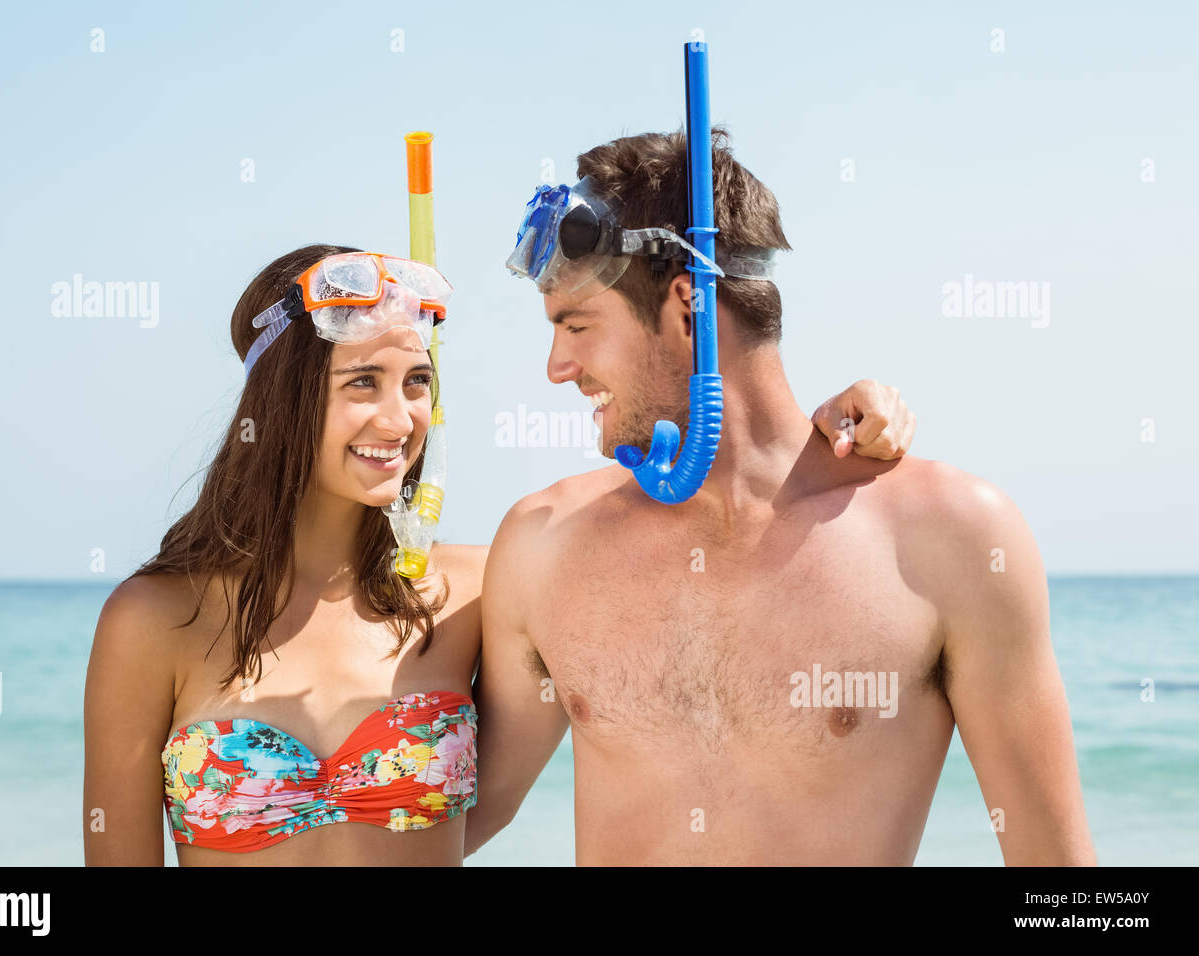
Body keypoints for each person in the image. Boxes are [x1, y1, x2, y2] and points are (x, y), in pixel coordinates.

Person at [82, 241, 916, 866]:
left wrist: (828, 428)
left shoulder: (478, 590)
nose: (400, 418)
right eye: (361, 383)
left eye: (416, 382)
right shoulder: (156, 621)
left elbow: (700, 541)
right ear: (284, 402)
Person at [465, 129, 1096, 866]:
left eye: (575, 325)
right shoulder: (544, 544)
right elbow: (460, 820)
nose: (557, 367)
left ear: (688, 308)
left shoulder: (949, 537)